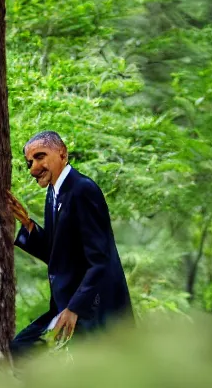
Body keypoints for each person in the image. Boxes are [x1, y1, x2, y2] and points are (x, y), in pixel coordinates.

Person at [7, 130, 132, 358]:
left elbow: (100, 260)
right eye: (29, 162)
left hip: (93, 309)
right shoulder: (53, 194)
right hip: (66, 305)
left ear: (62, 154)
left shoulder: (82, 190)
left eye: (40, 157)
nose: (34, 169)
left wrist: (75, 309)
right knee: (20, 349)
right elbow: (60, 255)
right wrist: (27, 224)